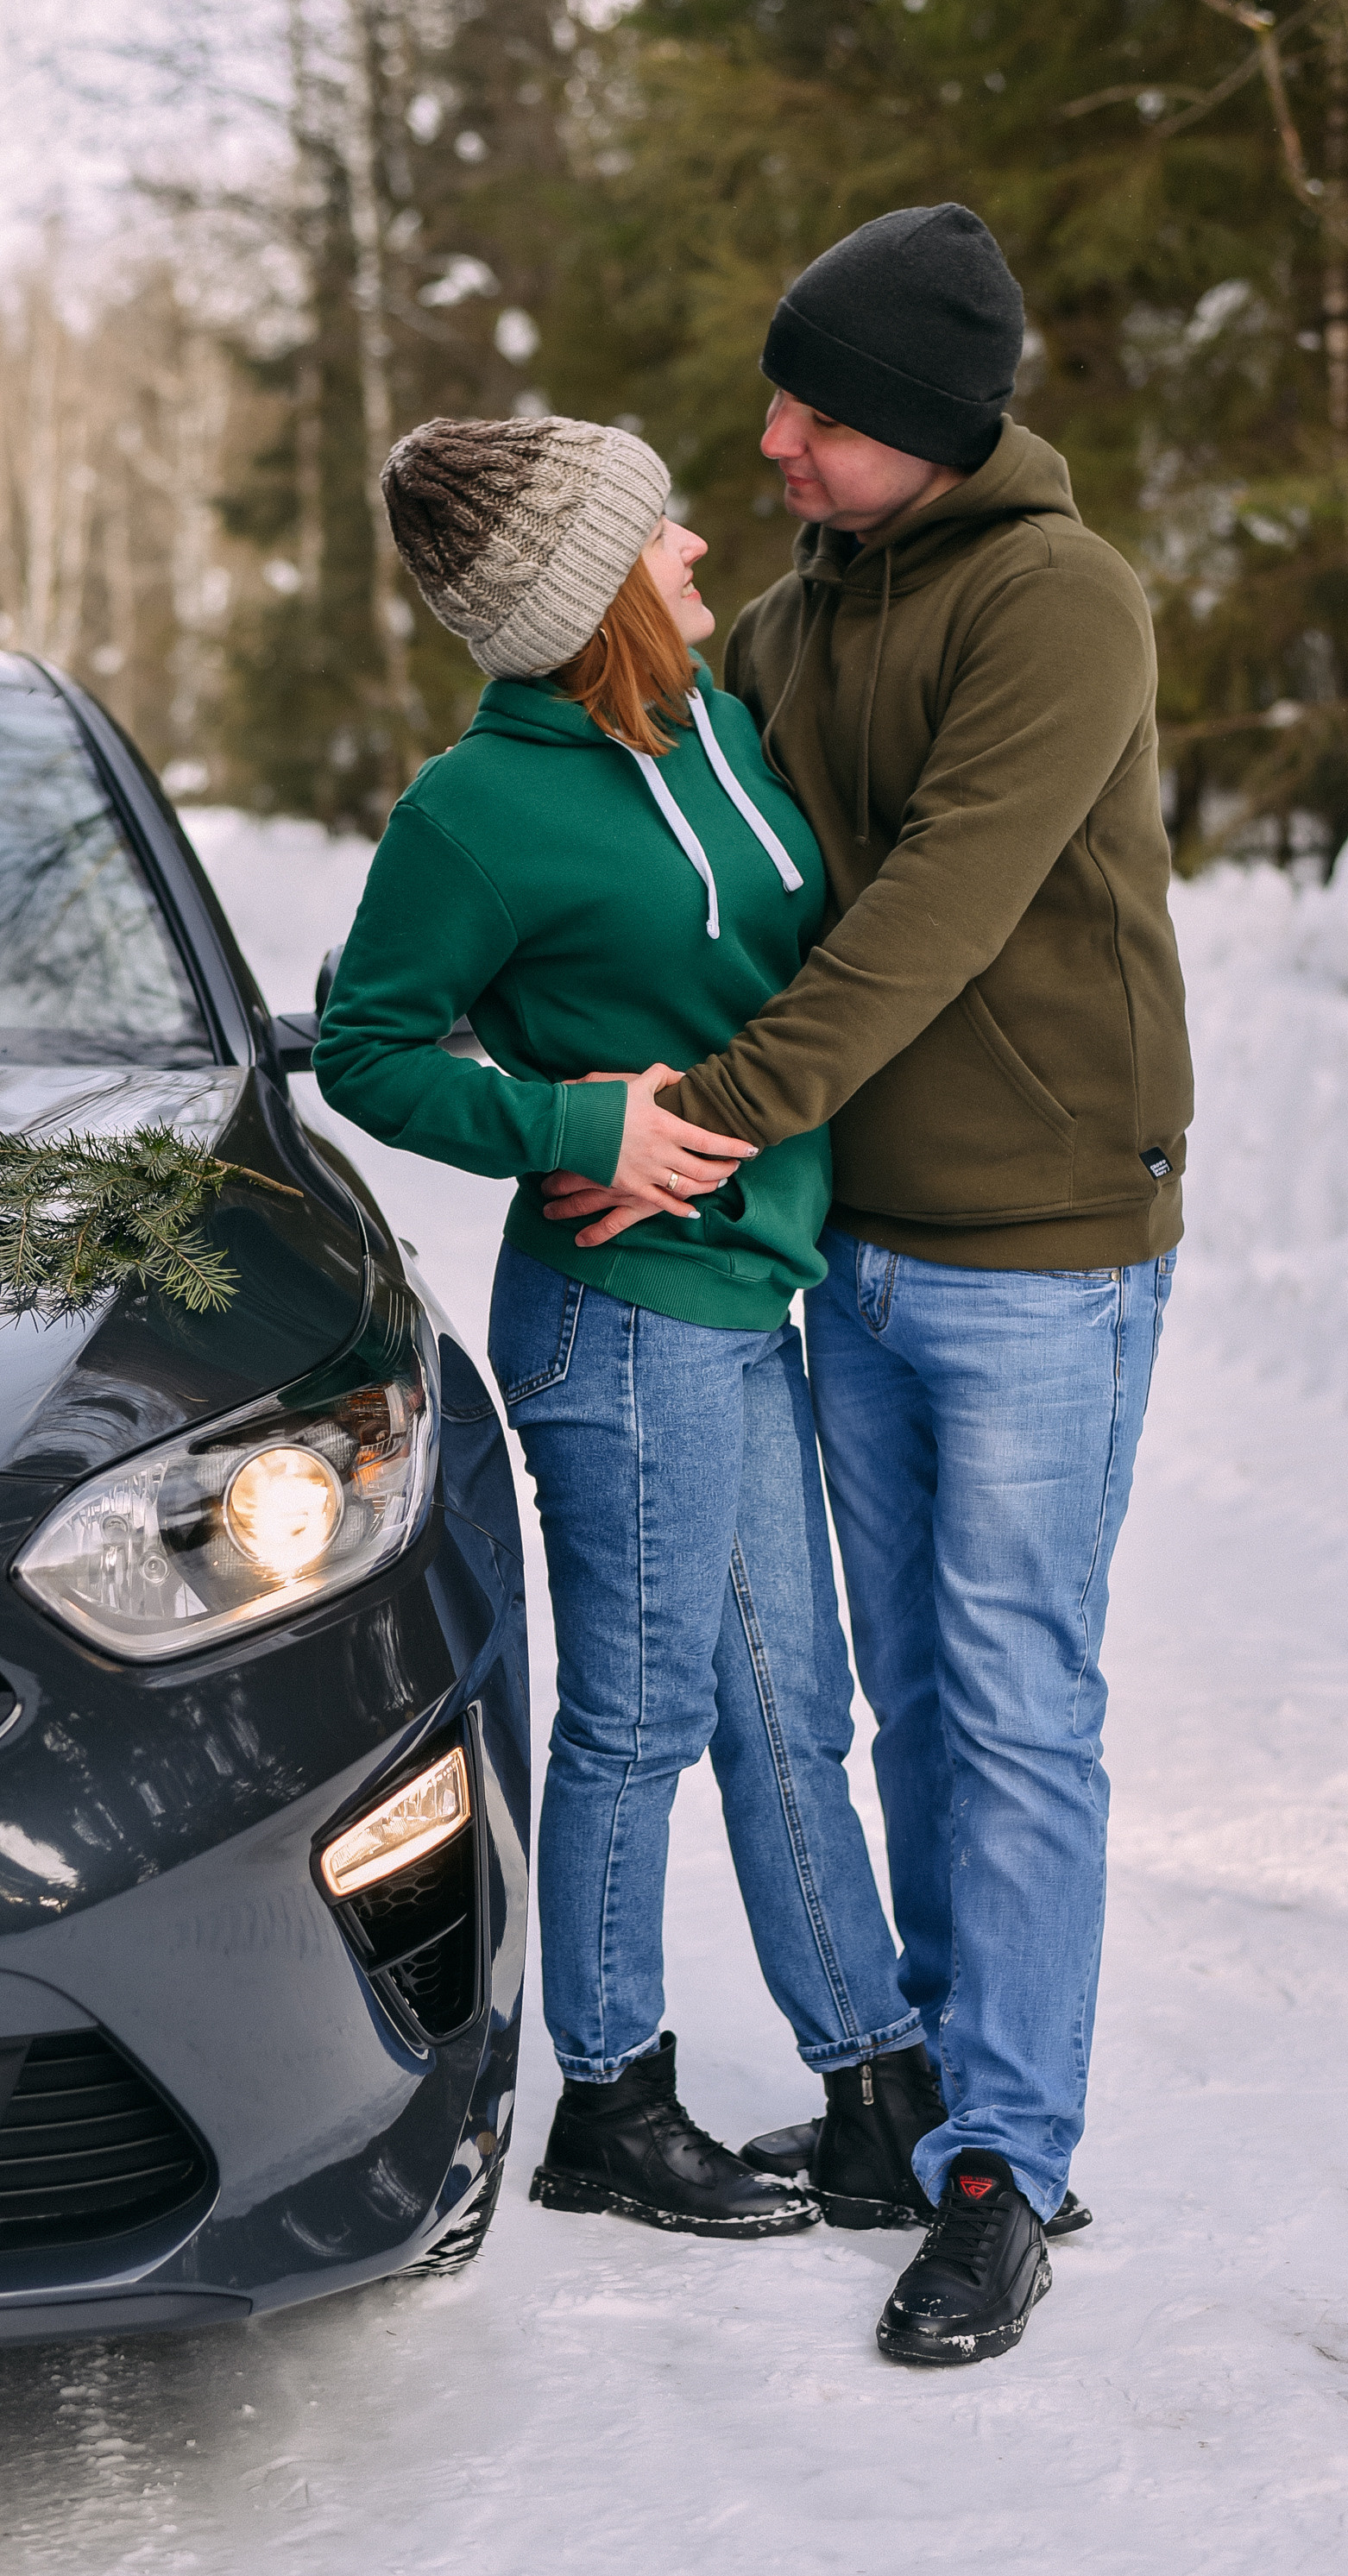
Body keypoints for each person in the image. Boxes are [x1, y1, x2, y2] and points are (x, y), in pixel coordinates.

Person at [541, 206, 1194, 2365]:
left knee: (1010, 1699)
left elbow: (925, 915)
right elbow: (674, 840)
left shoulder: (1056, 603)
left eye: (814, 415)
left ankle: (1004, 2164)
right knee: (906, 1689)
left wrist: (697, 1122)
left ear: (916, 426)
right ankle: (923, 2095)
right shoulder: (804, 616)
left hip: (1038, 1254)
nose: (773, 445)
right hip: (853, 1244)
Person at [315, 413, 945, 2243]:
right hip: (615, 1322)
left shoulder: (715, 729)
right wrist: (574, 1124)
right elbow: (368, 1047)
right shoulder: (472, 813)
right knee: (643, 1721)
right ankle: (607, 2097)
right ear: (591, 593)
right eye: (654, 530)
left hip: (748, 1295)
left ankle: (870, 2085)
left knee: (786, 1709)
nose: (693, 548)